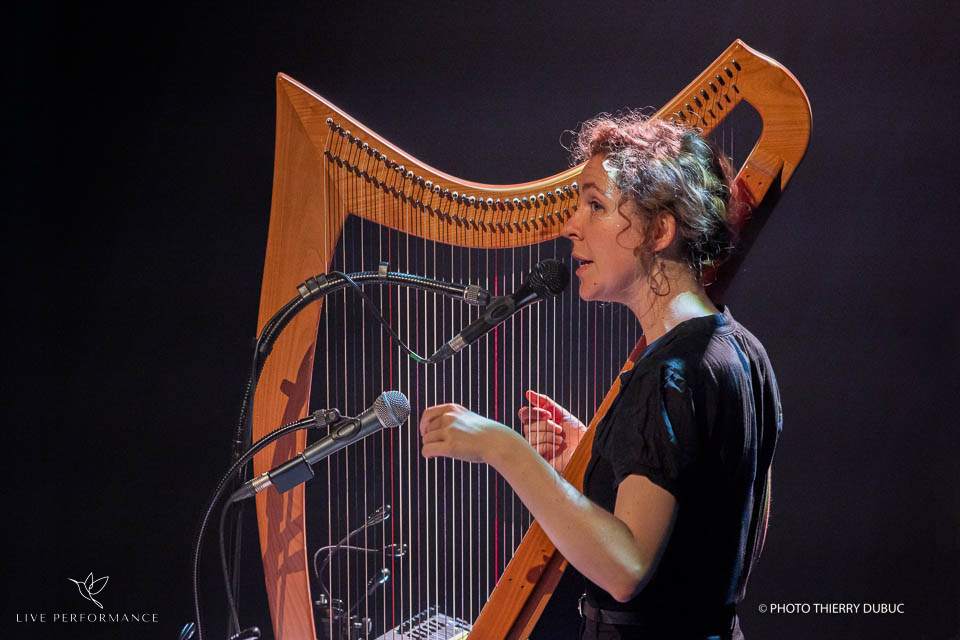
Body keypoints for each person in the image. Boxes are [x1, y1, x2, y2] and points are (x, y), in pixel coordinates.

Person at [418, 112, 781, 640]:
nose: (570, 226)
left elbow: (625, 569)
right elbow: (728, 529)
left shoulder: (668, 373)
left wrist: (504, 449)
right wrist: (601, 462)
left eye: (596, 205)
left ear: (659, 231)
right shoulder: (743, 350)